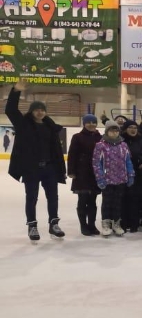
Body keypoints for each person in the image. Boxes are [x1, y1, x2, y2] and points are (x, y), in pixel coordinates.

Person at [5, 79, 67, 243]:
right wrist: (16, 91)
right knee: (31, 198)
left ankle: (54, 223)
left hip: (50, 168)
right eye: (36, 110)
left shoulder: (50, 127)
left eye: (42, 110)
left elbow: (56, 151)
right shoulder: (23, 125)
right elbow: (10, 110)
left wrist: (60, 169)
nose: (40, 112)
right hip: (31, 168)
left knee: (53, 197)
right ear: (31, 111)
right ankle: (32, 225)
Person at [93, 121, 135, 237]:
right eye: (112, 130)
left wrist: (130, 174)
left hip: (121, 179)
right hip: (107, 179)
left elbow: (128, 161)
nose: (114, 132)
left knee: (118, 203)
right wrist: (100, 178)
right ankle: (106, 224)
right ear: (107, 131)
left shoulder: (123, 145)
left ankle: (116, 223)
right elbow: (96, 163)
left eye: (116, 130)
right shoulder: (100, 145)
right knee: (107, 202)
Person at [68, 114, 102, 236]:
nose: (91, 124)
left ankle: (92, 225)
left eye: (94, 122)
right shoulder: (77, 137)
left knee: (92, 200)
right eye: (89, 122)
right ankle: (83, 225)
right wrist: (71, 171)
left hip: (95, 173)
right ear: (84, 123)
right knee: (82, 200)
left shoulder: (100, 137)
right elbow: (72, 154)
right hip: (81, 172)